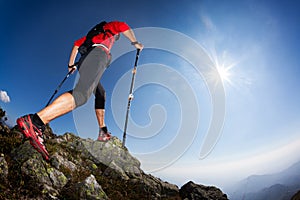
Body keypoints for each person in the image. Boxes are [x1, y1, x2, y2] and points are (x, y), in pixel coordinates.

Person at [16, 20, 144, 160]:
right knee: (82, 94)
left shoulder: (94, 35)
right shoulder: (108, 31)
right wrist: (135, 42)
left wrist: (71, 64)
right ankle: (36, 122)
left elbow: (77, 43)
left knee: (100, 93)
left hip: (88, 60)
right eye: (116, 36)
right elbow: (122, 26)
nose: (116, 38)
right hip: (96, 57)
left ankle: (102, 131)